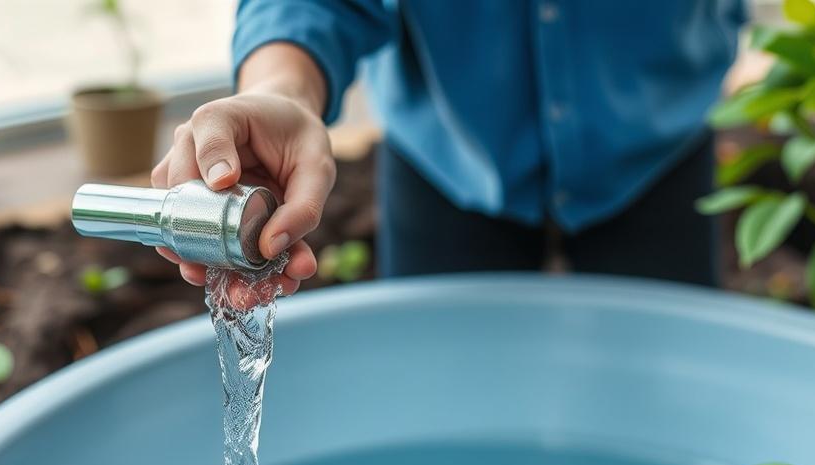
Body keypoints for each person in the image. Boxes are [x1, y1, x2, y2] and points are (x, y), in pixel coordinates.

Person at [151, 1, 746, 306]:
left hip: (654, 144)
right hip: (446, 152)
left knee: (660, 398)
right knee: (442, 395)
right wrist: (279, 92)